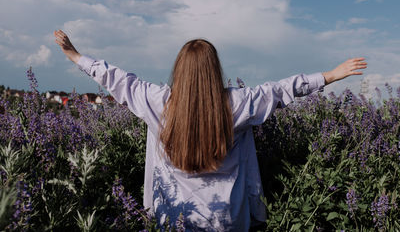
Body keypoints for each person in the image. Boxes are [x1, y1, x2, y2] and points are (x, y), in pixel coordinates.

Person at [54, 30, 367, 231]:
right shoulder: (234, 104)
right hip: (226, 220)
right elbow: (282, 89)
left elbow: (117, 80)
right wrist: (330, 75)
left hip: (174, 220)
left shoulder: (159, 102)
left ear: (179, 70)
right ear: (215, 70)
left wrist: (76, 55)